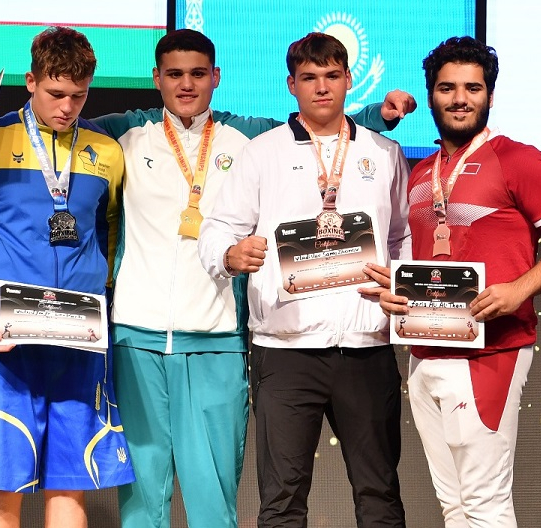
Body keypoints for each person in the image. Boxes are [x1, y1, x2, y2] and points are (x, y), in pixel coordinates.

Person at [0, 29, 416, 528]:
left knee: (214, 504)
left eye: (198, 74)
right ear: (157, 78)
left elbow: (315, 123)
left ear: (216, 77)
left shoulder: (248, 135)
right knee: (142, 503)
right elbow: (52, 130)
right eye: (174, 74)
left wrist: (376, 116)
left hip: (217, 338)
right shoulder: (121, 134)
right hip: (135, 338)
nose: (186, 84)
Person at [372, 36, 541, 527]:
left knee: (485, 506)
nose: (460, 98)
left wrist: (518, 289)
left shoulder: (517, 158)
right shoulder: (421, 173)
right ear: (431, 94)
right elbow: (417, 259)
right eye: (447, 88)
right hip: (425, 351)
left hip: (490, 353)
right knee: (454, 507)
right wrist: (396, 291)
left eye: (473, 88)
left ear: (490, 96)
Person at [197, 32, 411, 528]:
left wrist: (397, 284)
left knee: (380, 494)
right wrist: (231, 254)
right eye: (310, 78)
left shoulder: (383, 152)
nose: (322, 88)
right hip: (285, 350)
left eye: (332, 76)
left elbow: (400, 237)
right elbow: (219, 228)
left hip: (366, 347)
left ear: (349, 81)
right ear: (291, 84)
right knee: (282, 501)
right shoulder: (263, 152)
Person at [0, 26, 133, 528]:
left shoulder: (108, 153)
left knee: (71, 490)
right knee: (0, 495)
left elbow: (109, 236)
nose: (67, 107)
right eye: (55, 93)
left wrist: (100, 301)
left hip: (78, 343)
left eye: (79, 96)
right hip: (2, 343)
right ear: (30, 81)